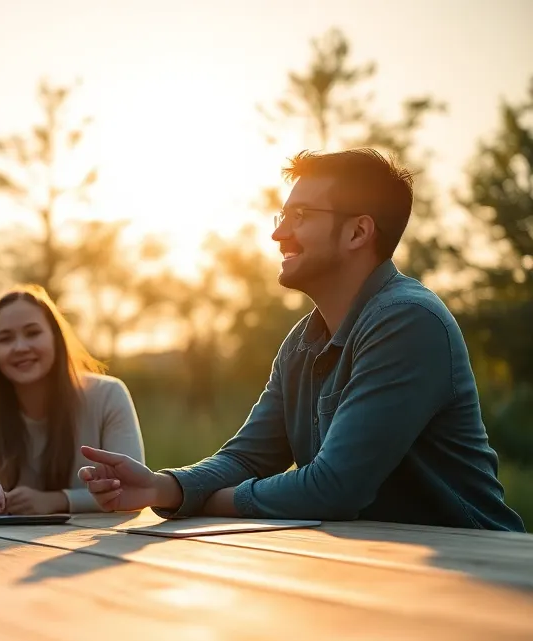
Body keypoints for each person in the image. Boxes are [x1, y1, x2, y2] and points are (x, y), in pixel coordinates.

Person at [78, 149, 525, 532]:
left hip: (476, 568)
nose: (278, 233)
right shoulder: (302, 342)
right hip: (375, 571)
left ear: (357, 232)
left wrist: (209, 502)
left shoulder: (407, 321)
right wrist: (166, 487)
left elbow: (333, 489)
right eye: (282, 215)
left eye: (301, 216)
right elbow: (248, 456)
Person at [0, 284, 145, 515]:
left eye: (33, 333)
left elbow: (133, 490)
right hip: (7, 545)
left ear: (56, 338)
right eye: (5, 339)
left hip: (96, 543)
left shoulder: (109, 395)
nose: (20, 347)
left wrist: (58, 501)